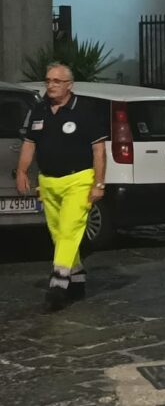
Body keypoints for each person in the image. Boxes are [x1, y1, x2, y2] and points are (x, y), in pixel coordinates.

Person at [16, 63, 107, 310]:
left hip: (78, 179)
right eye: (48, 80)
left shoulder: (85, 110)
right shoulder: (39, 109)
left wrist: (99, 183)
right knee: (58, 234)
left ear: (69, 85)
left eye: (57, 81)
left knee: (70, 229)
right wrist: (23, 171)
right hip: (48, 181)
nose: (51, 85)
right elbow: (29, 143)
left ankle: (58, 283)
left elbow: (99, 150)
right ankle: (76, 276)